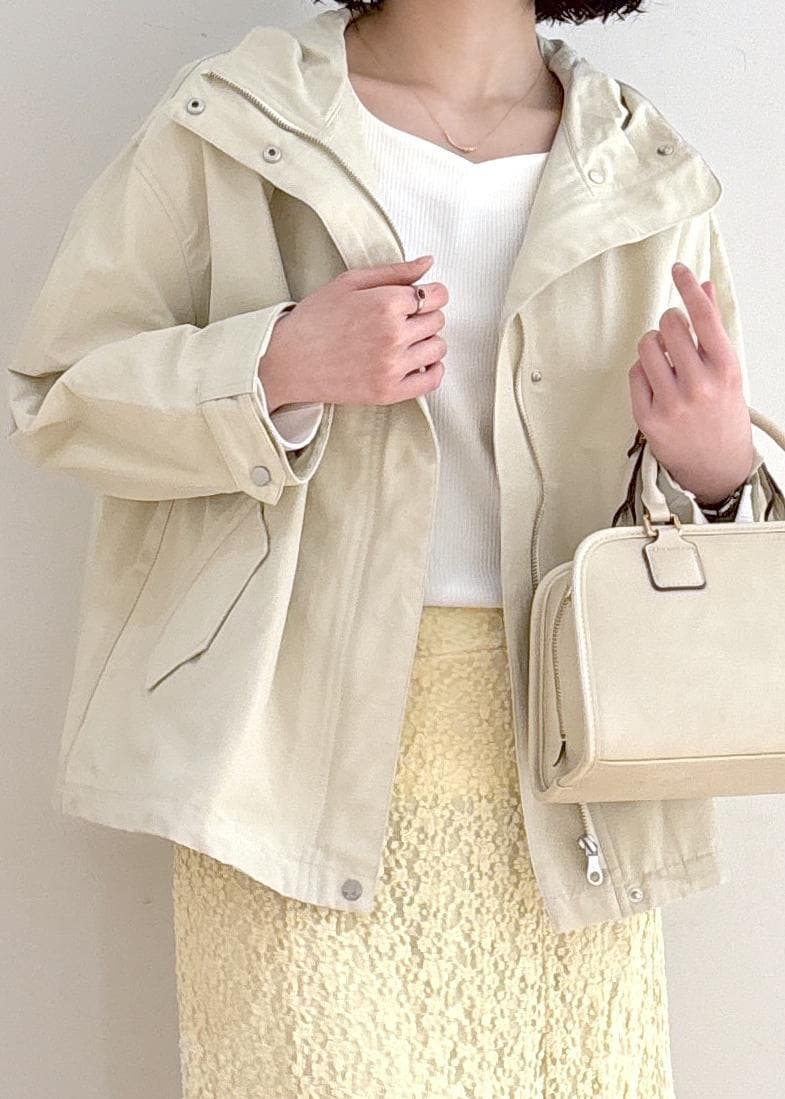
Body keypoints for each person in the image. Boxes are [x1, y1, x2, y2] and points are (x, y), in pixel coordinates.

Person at [7, 1, 781, 1095]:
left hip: (572, 790)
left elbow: (699, 564)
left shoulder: (642, 168)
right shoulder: (236, 119)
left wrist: (716, 472)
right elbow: (56, 398)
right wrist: (275, 365)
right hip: (284, 772)